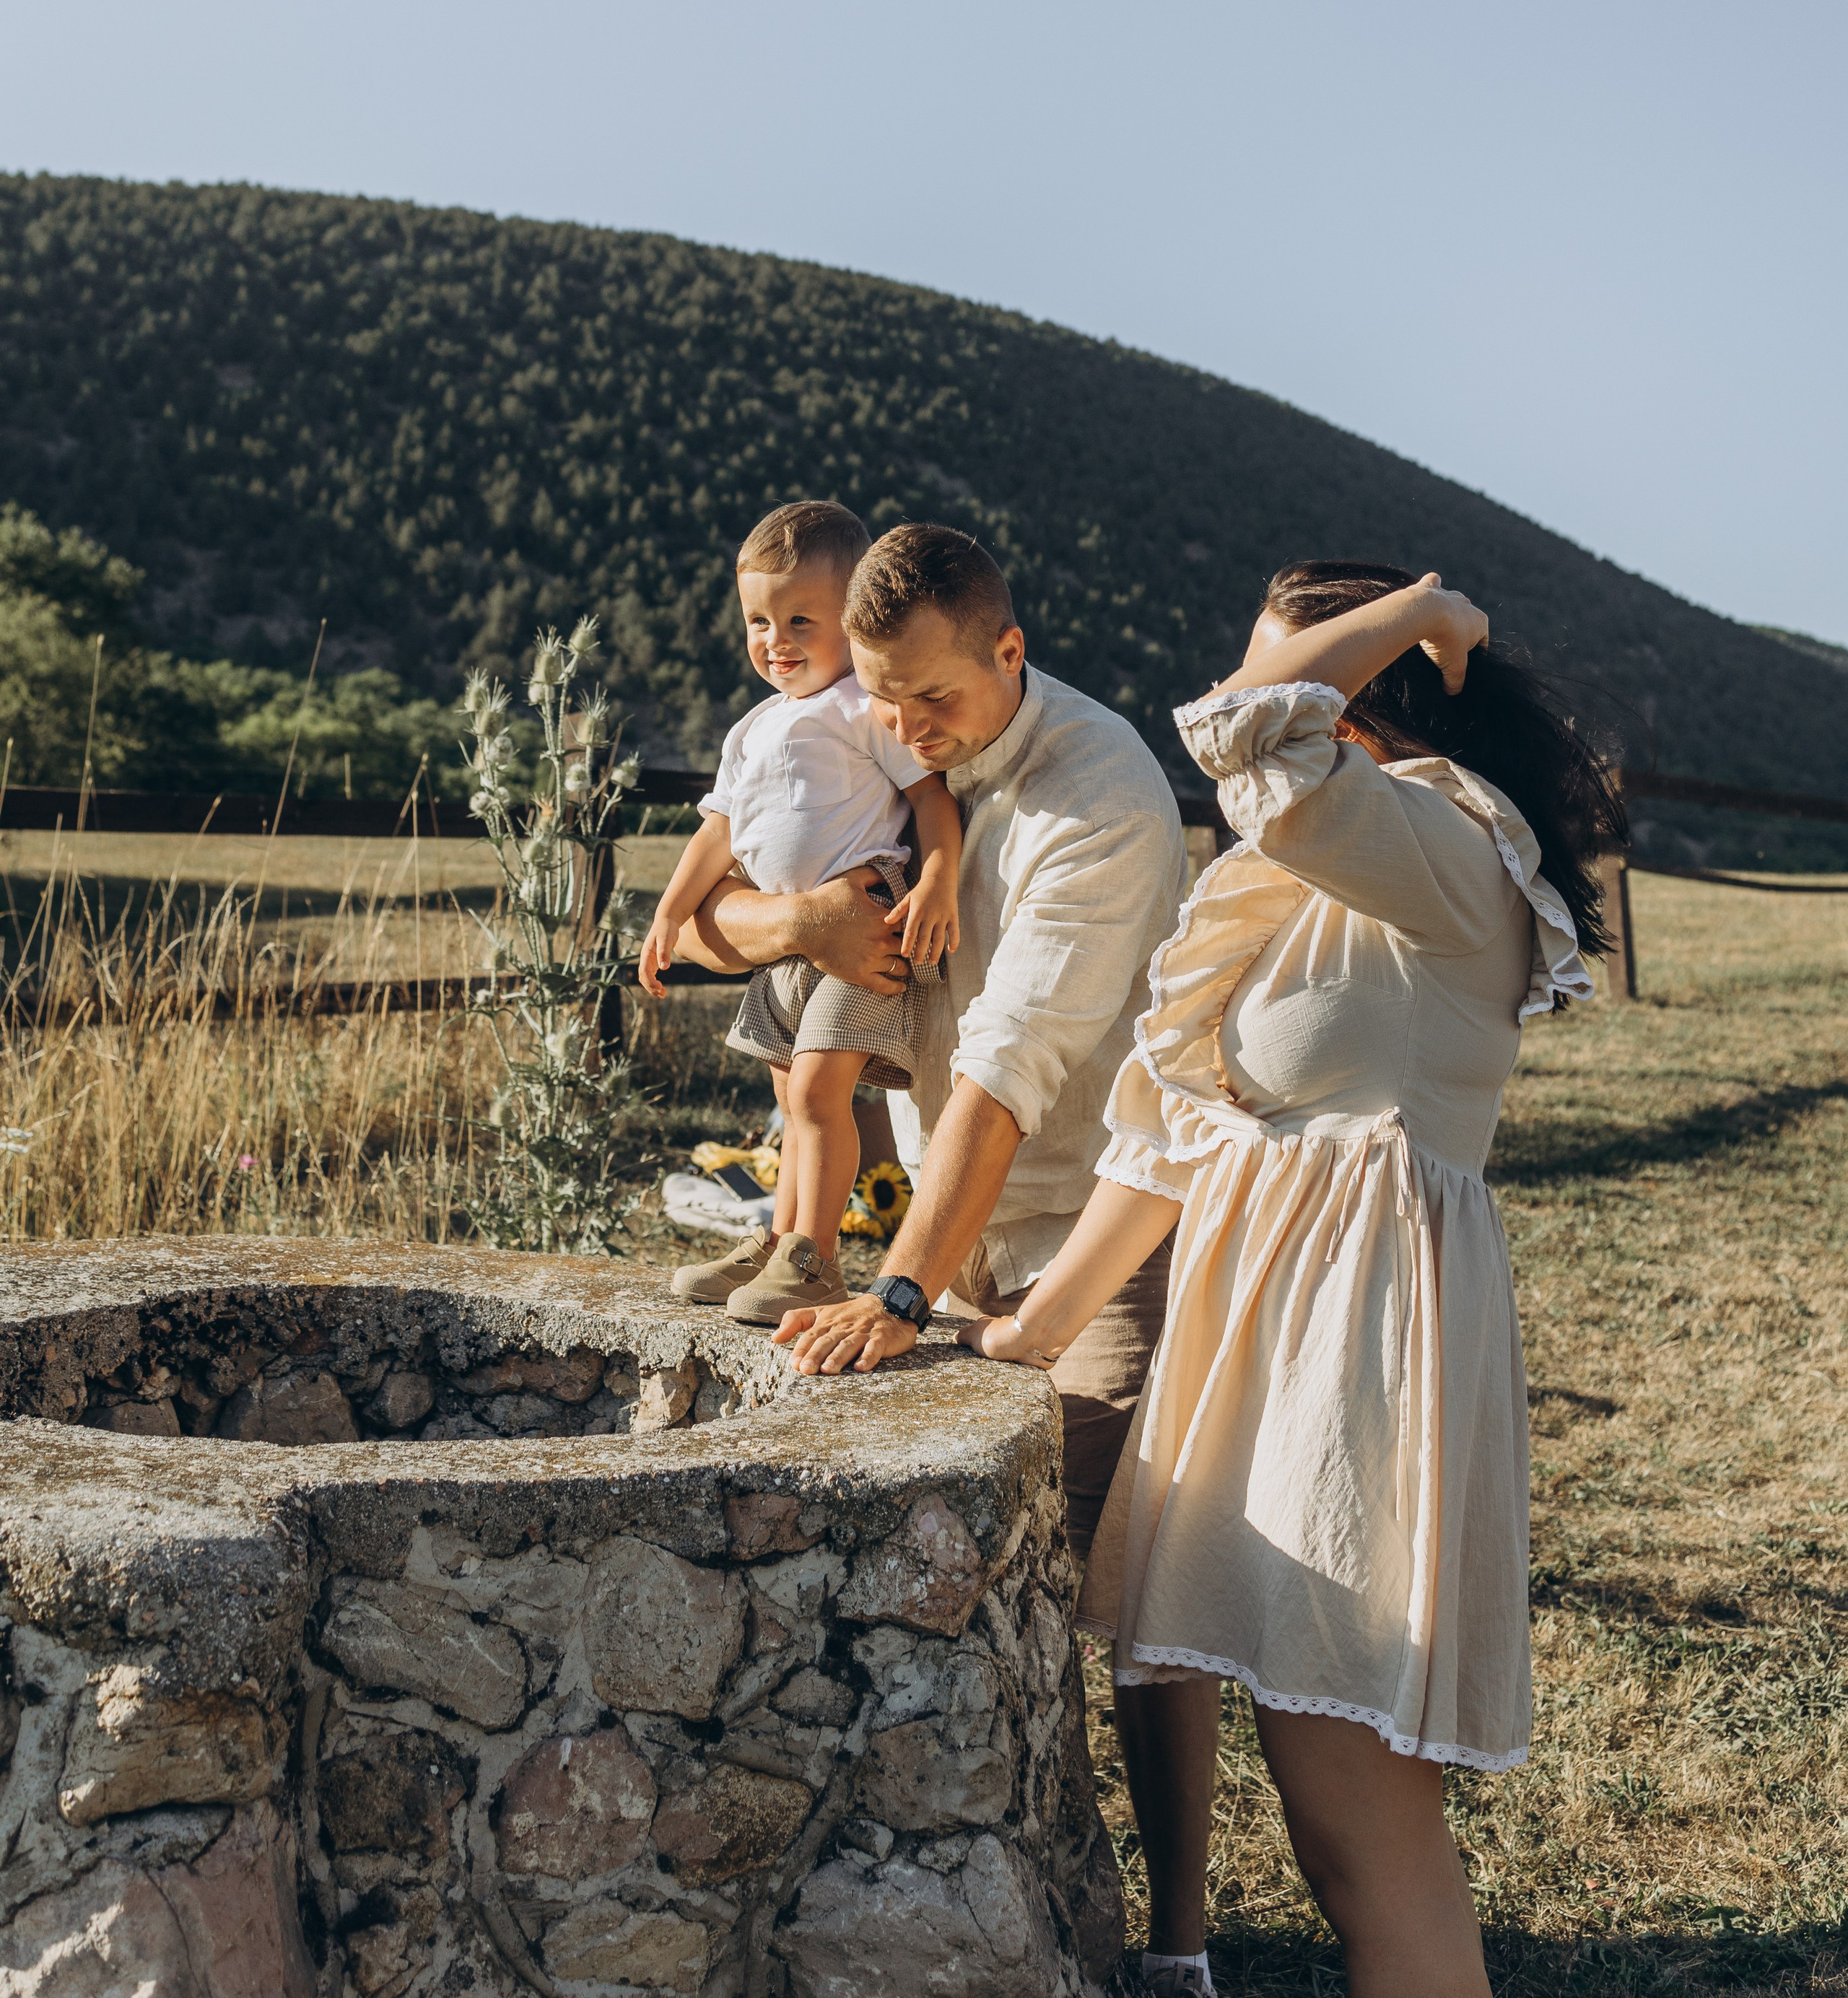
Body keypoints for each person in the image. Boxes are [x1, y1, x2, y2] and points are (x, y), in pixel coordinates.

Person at [958, 562, 1626, 1998]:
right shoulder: (1309, 867)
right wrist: (1026, 1332)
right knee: (1334, 1821)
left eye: (1293, 652)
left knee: (1359, 1832)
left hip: (1358, 1343)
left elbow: (1248, 726)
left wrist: (1425, 610)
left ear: (1361, 681)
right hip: (1269, 1338)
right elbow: (1173, 1138)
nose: (1249, 678)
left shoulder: (1453, 843)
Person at [669, 520, 1190, 1551]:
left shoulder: (1097, 797)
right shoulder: (884, 741)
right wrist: (808, 923)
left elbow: (1008, 1064)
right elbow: (701, 926)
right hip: (953, 1247)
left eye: (932, 699)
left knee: (1100, 1583)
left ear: (1011, 651)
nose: (903, 727)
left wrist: (897, 1291)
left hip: (1087, 1247)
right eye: (882, 694)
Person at [640, 500, 962, 1324]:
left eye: (799, 620)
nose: (774, 640)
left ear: (851, 619)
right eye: (758, 620)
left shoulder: (864, 706)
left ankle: (815, 1264)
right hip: (793, 939)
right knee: (790, 1101)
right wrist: (671, 915)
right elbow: (718, 833)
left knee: (823, 1096)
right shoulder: (751, 729)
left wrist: (938, 881)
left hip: (870, 919)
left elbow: (930, 799)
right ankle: (780, 1242)